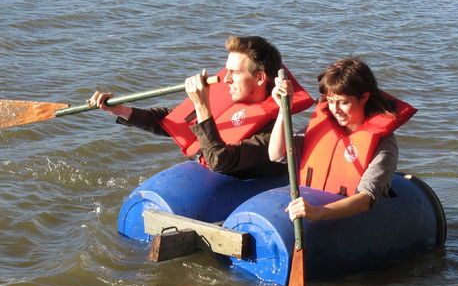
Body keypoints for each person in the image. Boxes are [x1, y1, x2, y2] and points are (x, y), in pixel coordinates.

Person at [88, 36, 313, 179]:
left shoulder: (273, 130)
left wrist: (202, 105)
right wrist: (119, 109)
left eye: (234, 73)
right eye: (226, 71)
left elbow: (219, 161)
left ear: (260, 77)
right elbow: (173, 121)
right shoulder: (229, 95)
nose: (226, 79)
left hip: (245, 181)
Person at [268, 56, 417, 221]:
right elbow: (277, 154)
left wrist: (318, 212)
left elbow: (366, 199)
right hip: (312, 206)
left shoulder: (384, 144)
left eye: (343, 102)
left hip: (347, 218)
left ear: (364, 98)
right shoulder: (324, 126)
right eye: (331, 101)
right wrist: (283, 110)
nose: (335, 109)